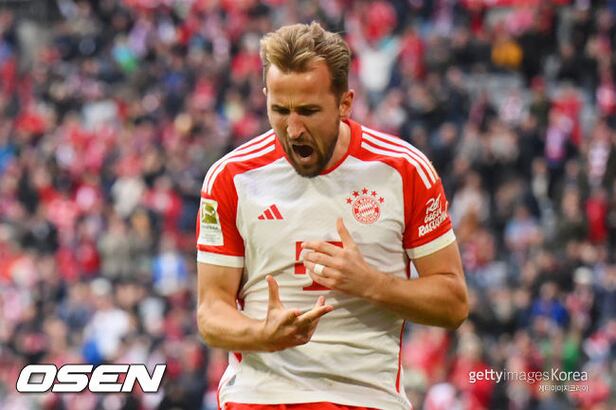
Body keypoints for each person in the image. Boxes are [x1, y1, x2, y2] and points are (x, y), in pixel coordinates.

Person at [196, 22, 468, 410]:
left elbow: (454, 304)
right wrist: (262, 334)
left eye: (309, 111)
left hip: (367, 397)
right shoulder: (230, 177)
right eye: (280, 110)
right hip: (262, 397)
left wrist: (371, 283)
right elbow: (211, 312)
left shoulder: (404, 171)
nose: (293, 129)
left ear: (345, 103)